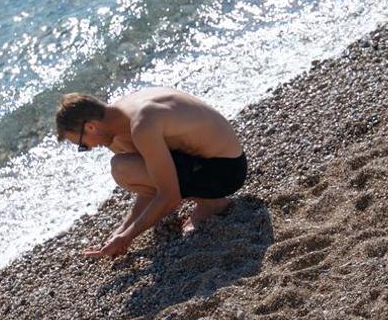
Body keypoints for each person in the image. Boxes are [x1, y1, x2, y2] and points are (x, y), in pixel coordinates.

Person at [55, 88, 248, 259]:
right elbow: (151, 183)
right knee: (124, 166)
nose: (89, 148)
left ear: (90, 126)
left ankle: (212, 204)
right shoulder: (120, 117)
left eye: (82, 145)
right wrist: (120, 232)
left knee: (122, 168)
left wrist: (127, 237)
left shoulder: (142, 125)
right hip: (211, 160)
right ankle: (204, 199)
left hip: (226, 171)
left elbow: (169, 195)